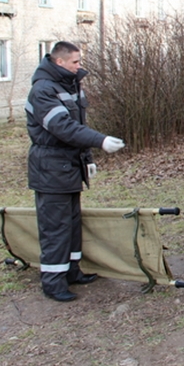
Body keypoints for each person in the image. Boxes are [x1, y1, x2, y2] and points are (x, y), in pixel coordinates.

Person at [26, 41, 126, 301]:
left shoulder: (69, 85)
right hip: (50, 169)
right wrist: (100, 140)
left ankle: (72, 271)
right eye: (75, 62)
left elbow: (78, 124)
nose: (79, 66)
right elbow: (62, 127)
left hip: (68, 166)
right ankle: (53, 283)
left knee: (70, 224)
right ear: (60, 62)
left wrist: (88, 158)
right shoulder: (43, 91)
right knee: (55, 228)